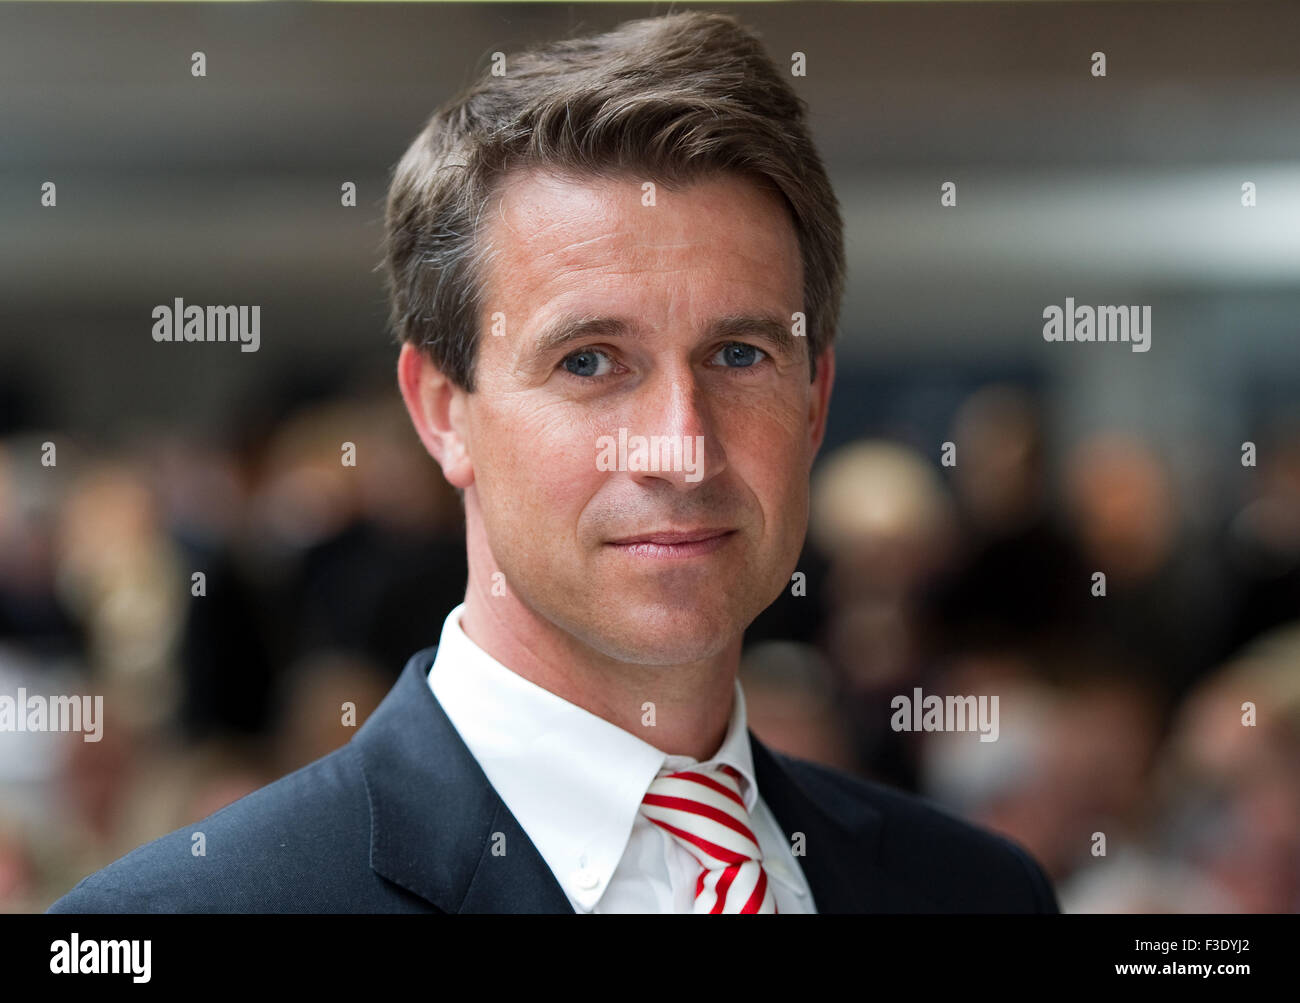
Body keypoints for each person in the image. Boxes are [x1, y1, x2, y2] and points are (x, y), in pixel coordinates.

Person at [49, 10, 1057, 914]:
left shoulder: (975, 892)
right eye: (589, 361)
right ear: (442, 411)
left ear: (815, 400)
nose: (679, 446)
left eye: (739, 355)